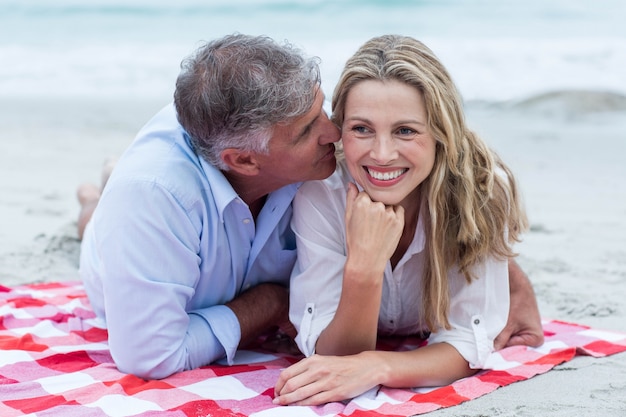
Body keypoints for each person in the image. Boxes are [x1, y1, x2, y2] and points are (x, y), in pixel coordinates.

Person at [78, 33, 542, 381]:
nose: (333, 135)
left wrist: (504, 265)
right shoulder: (157, 196)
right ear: (244, 161)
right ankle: (96, 203)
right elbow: (151, 356)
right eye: (310, 130)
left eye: (324, 111)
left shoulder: (309, 160)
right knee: (99, 225)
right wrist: (280, 299)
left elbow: (446, 164)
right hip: (150, 239)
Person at [273, 34, 535, 406]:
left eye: (406, 130)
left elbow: (465, 343)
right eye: (361, 128)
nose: (381, 154)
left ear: (441, 133)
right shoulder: (322, 190)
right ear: (340, 129)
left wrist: (378, 366)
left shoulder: (484, 189)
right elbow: (329, 356)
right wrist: (363, 267)